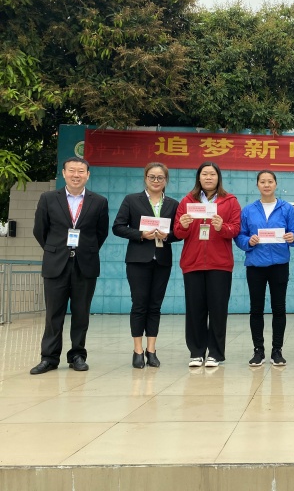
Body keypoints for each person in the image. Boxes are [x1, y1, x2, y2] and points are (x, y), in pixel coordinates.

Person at [30, 157, 109, 374]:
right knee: (53, 314)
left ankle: (77, 355)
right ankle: (49, 358)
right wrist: (55, 250)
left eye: (81, 171)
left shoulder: (99, 201)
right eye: (72, 170)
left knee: (81, 313)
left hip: (85, 264)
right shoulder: (48, 198)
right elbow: (40, 230)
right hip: (56, 264)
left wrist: (84, 250)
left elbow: (101, 232)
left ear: (88, 175)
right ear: (64, 173)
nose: (76, 175)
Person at [112, 162, 181, 369]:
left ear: (166, 180)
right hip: (138, 260)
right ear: (145, 178)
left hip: (162, 260)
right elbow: (118, 227)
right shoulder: (132, 200)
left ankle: (151, 350)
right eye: (152, 177)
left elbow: (179, 233)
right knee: (139, 303)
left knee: (155, 305)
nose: (156, 181)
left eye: (160, 177)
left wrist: (167, 235)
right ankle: (137, 350)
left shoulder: (173, 204)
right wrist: (141, 234)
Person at [174, 162, 241, 368]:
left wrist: (223, 227)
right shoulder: (187, 200)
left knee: (218, 310)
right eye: (205, 174)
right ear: (199, 177)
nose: (209, 177)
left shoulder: (230, 201)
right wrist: (183, 225)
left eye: (212, 174)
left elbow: (235, 229)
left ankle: (216, 354)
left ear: (218, 177)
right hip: (192, 262)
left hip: (219, 264)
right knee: (195, 310)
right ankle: (196, 352)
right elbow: (177, 232)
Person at [234, 171, 294, 367]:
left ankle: (277, 350)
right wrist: (249, 241)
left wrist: (293, 237)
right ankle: (258, 350)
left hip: (279, 265)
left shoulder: (286, 208)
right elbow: (239, 235)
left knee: (279, 308)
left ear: (275, 184)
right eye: (262, 181)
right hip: (256, 265)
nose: (266, 185)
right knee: (256, 309)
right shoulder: (248, 210)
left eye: (270, 181)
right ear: (257, 185)